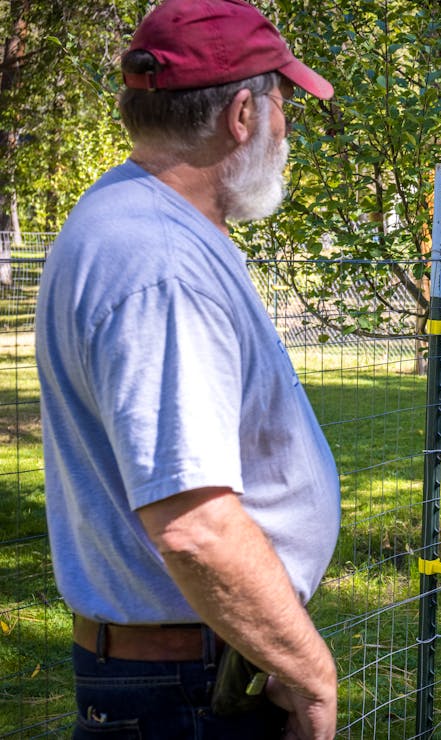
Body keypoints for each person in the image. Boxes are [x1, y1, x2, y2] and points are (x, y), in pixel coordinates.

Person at [34, 1, 341, 737]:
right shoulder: (161, 266)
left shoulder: (132, 215)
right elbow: (195, 525)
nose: (285, 130)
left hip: (190, 669)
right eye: (283, 105)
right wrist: (312, 674)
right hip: (185, 694)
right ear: (242, 114)